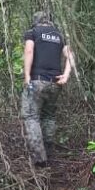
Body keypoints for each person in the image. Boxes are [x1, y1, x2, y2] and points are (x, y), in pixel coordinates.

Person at [21, 11, 74, 167]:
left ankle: (39, 158)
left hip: (37, 81)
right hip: (55, 84)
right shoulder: (59, 35)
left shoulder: (33, 32)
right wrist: (66, 75)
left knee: (31, 116)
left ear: (35, 21)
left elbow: (29, 50)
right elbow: (70, 54)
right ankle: (48, 152)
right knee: (48, 116)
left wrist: (27, 76)